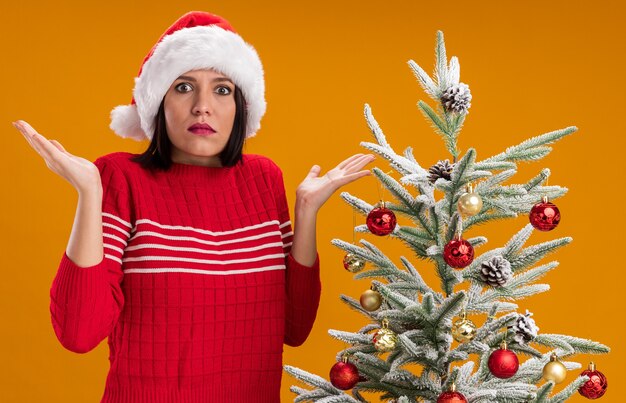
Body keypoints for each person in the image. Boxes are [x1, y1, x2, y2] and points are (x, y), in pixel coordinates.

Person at [13, 11, 375, 403]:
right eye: (184, 87)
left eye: (222, 90)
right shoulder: (120, 177)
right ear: (157, 102)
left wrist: (306, 211)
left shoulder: (263, 179)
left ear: (241, 105)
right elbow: (78, 333)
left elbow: (293, 327)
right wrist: (88, 192)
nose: (203, 106)